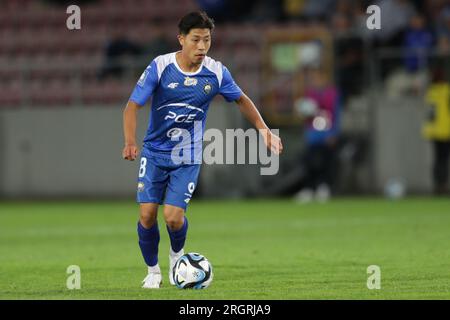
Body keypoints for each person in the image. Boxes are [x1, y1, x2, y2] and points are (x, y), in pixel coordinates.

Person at [122, 11, 283, 289]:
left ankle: (176, 258)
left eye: (206, 40)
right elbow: (132, 105)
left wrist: (264, 129)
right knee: (147, 215)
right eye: (196, 40)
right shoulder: (160, 67)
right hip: (155, 152)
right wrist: (130, 141)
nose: (201, 47)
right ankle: (152, 272)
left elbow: (242, 100)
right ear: (181, 39)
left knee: (173, 217)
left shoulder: (216, 72)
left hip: (188, 155)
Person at [294, 68, 341, 203]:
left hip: (327, 133)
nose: (316, 81)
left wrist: (333, 133)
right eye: (314, 78)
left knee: (326, 161)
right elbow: (305, 114)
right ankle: (309, 188)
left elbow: (336, 114)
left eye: (319, 78)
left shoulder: (332, 94)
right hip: (313, 134)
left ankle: (324, 187)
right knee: (309, 162)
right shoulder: (310, 94)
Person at [422, 66, 450, 195]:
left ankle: (438, 184)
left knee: (437, 159)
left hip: (433, 131)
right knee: (444, 159)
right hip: (445, 130)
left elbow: (429, 113)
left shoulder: (430, 92)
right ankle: (443, 185)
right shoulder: (446, 91)